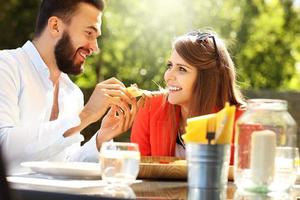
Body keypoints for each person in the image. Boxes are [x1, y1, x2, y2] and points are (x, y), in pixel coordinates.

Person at [0, 0, 137, 175]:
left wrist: (102, 137)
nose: (95, 48)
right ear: (55, 26)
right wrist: (84, 117)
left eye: (97, 37)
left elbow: (64, 163)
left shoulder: (72, 93)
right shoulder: (6, 66)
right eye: (89, 33)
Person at [130, 30, 245, 163]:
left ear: (208, 79)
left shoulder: (241, 124)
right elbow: (139, 171)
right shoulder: (149, 108)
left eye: (182, 69)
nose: (168, 76)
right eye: (170, 66)